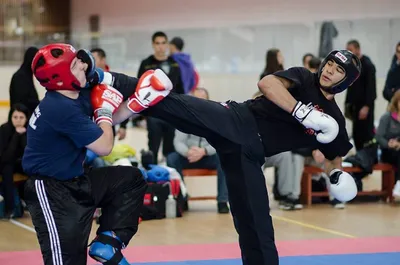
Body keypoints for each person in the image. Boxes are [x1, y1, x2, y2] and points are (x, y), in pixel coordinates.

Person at [107, 49, 360, 265]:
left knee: (257, 225)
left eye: (338, 70)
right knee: (172, 102)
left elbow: (334, 155)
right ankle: (107, 80)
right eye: (329, 63)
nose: (329, 70)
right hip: (238, 120)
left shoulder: (334, 120)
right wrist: (302, 112)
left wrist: (336, 173)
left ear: (346, 80)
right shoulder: (303, 78)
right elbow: (267, 84)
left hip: (249, 155)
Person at [22, 43, 147, 265]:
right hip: (51, 192)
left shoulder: (75, 94)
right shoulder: (59, 108)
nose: (83, 64)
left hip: (77, 181)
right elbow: (104, 146)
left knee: (130, 180)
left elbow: (107, 119)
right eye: (75, 64)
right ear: (61, 77)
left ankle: (108, 243)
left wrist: (140, 103)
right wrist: (104, 111)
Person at [0, 103, 29, 219]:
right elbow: (6, 157)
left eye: (21, 118)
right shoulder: (4, 129)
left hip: (20, 163)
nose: (18, 120)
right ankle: (10, 207)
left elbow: (28, 153)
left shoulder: (30, 131)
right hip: (4, 163)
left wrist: (23, 136)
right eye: (15, 117)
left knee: (35, 169)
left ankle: (29, 203)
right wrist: (16, 135)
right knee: (7, 169)